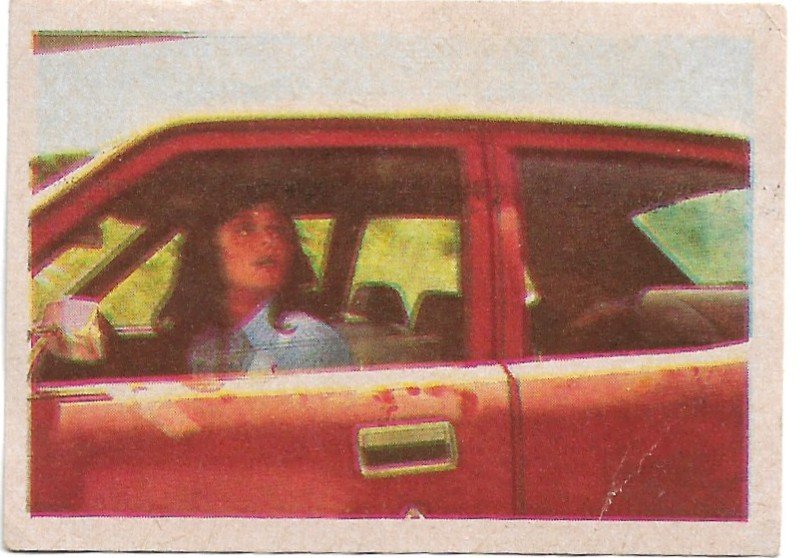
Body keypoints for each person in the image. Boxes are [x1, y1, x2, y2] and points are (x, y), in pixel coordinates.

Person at [162, 186, 354, 373]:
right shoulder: (207, 339)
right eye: (244, 230)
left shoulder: (304, 339)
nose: (268, 240)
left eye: (277, 229)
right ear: (208, 249)